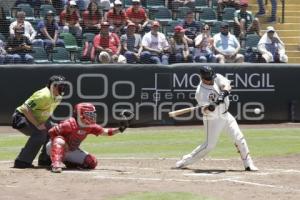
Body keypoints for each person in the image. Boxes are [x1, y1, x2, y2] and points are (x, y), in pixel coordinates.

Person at [175, 66, 258, 171]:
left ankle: (248, 164)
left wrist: (220, 97)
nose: (211, 81)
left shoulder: (217, 77)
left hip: (226, 115)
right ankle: (185, 160)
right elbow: (206, 111)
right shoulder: (200, 92)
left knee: (239, 138)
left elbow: (227, 86)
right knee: (209, 146)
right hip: (213, 119)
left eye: (212, 78)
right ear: (202, 78)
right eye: (209, 79)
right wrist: (210, 107)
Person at [47, 103, 129, 173]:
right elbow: (51, 132)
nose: (92, 116)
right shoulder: (69, 124)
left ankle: (68, 162)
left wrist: (120, 129)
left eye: (92, 114)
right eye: (89, 114)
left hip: (71, 150)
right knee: (59, 140)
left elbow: (105, 132)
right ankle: (56, 164)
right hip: (54, 147)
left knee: (92, 162)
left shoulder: (90, 126)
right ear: (81, 114)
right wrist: (64, 145)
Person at [12, 75, 67, 168]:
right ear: (53, 86)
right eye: (60, 86)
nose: (63, 88)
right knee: (40, 133)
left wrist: (48, 125)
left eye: (63, 86)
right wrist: (37, 125)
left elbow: (44, 112)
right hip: (21, 117)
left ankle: (45, 159)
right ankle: (22, 161)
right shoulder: (43, 95)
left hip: (37, 119)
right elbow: (25, 109)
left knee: (55, 130)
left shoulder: (58, 97)